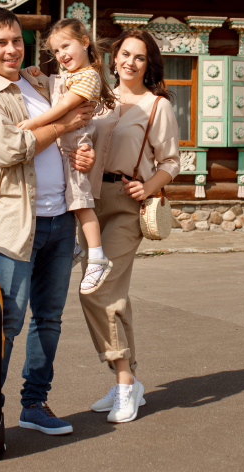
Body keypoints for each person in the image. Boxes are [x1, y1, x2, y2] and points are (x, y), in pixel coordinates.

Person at [0, 7, 94, 437]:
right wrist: (64, 125)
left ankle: (34, 404)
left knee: (49, 319)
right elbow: (11, 148)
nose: (11, 49)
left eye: (16, 40)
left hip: (60, 218)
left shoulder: (37, 82)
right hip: (18, 223)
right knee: (8, 322)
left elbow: (80, 110)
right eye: (1, 42)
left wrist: (82, 151)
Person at [79, 29, 180, 424]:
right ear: (114, 58)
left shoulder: (157, 106)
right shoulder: (99, 101)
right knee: (111, 293)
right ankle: (128, 380)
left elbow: (171, 161)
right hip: (89, 204)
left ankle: (124, 381)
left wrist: (149, 185)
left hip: (125, 204)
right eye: (125, 54)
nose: (130, 62)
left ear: (148, 64)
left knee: (97, 289)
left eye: (139, 57)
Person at [18, 18, 117, 295]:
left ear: (84, 42)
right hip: (62, 147)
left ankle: (96, 257)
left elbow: (62, 107)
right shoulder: (68, 76)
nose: (61, 54)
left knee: (80, 201)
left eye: (66, 46)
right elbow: (52, 91)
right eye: (56, 51)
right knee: (67, 198)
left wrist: (33, 124)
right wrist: (35, 75)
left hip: (74, 147)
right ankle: (73, 246)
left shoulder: (89, 76)